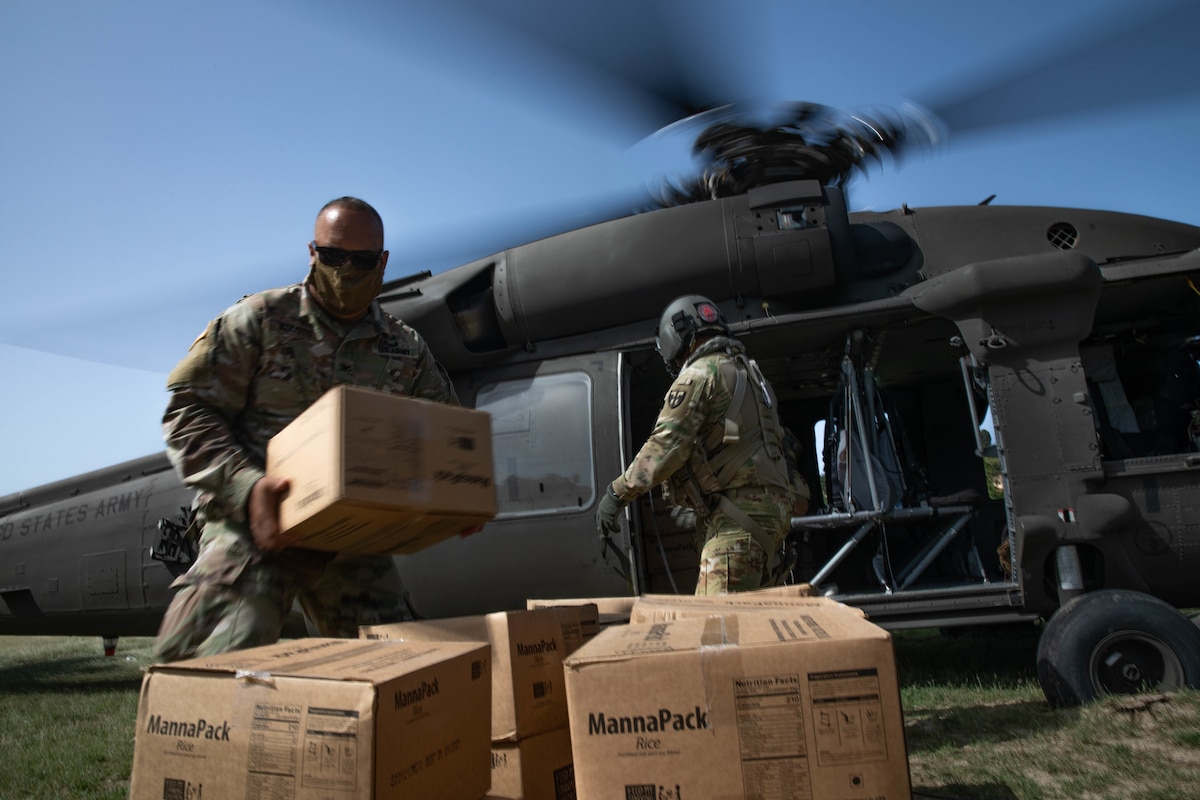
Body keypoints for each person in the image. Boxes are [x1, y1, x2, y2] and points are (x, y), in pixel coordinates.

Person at [153, 196, 458, 662]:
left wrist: (456, 497)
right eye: (334, 256)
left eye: (363, 260)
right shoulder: (259, 321)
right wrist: (247, 488)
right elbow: (188, 412)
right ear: (313, 253)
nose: (347, 271)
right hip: (254, 523)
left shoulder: (404, 347)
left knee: (400, 669)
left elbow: (444, 433)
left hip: (350, 533)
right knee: (211, 659)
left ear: (384, 262)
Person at [595, 294, 793, 594]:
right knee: (756, 625)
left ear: (676, 337)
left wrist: (617, 493)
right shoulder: (750, 373)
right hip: (770, 512)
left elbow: (666, 446)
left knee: (716, 629)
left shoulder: (699, 375)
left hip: (739, 522)